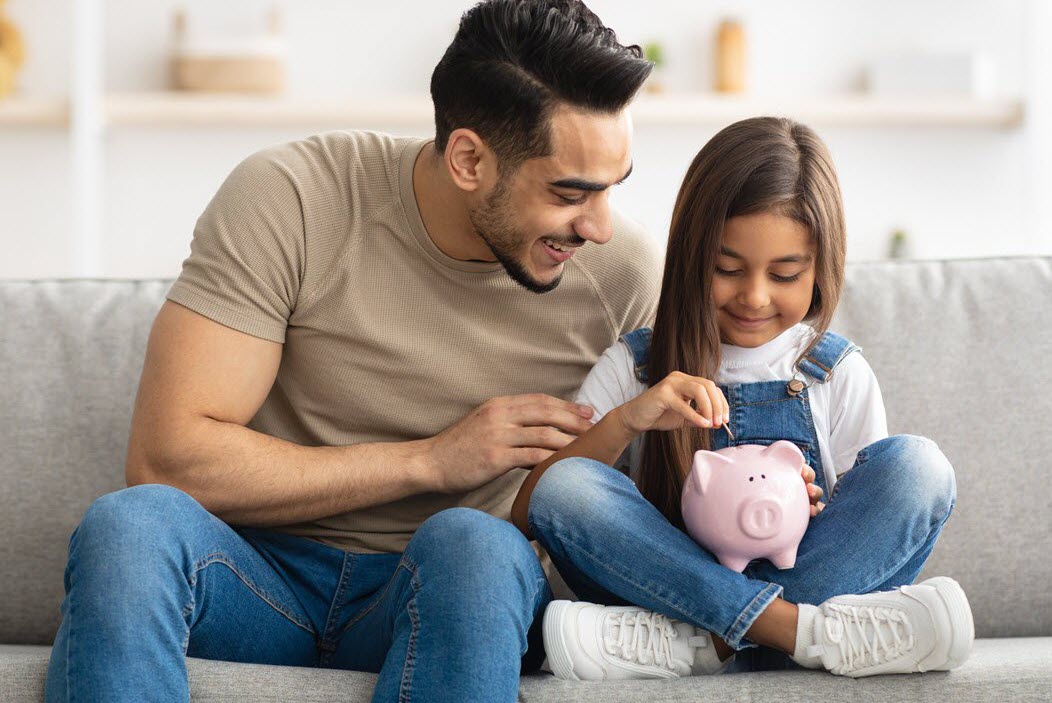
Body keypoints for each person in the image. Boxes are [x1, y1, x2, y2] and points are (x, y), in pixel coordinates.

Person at [44, 2, 662, 701]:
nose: (601, 226)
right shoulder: (294, 199)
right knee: (129, 526)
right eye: (569, 192)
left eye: (615, 186)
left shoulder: (624, 278)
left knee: (480, 546)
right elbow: (166, 458)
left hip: (441, 589)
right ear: (469, 159)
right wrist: (432, 458)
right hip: (254, 575)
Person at [511, 116, 974, 680]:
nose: (754, 297)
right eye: (726, 269)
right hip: (667, 585)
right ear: (690, 258)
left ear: (820, 270)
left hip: (709, 605)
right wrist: (629, 421)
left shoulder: (835, 372)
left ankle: (703, 644)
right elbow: (533, 509)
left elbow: (861, 530)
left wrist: (814, 504)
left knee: (918, 468)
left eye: (784, 274)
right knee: (569, 484)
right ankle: (793, 634)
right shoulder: (636, 366)